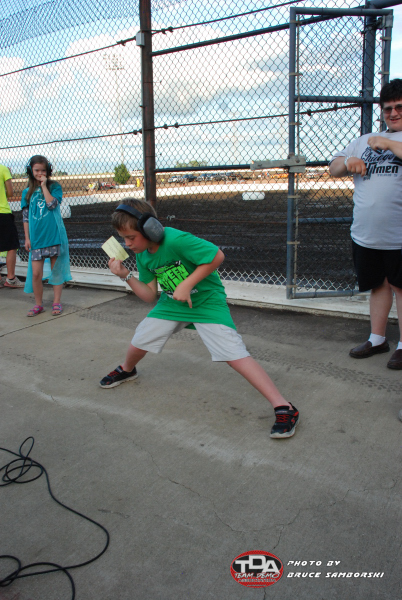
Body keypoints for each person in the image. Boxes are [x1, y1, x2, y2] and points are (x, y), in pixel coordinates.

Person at [100, 198, 300, 439]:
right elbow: (149, 295)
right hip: (172, 304)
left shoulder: (176, 239)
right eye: (123, 238)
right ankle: (127, 369)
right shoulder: (143, 254)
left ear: (151, 228)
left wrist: (187, 284)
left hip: (206, 302)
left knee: (233, 354)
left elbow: (217, 256)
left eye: (131, 237)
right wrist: (125, 275)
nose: (127, 244)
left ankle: (284, 406)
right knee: (140, 339)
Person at [329, 78, 402, 369]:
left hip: (399, 236)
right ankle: (377, 338)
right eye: (388, 109)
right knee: (378, 285)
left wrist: (388, 143)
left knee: (401, 288)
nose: (393, 113)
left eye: (399, 107)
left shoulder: (386, 140)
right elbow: (334, 167)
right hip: (366, 234)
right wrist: (348, 162)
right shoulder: (365, 140)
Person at [21, 155, 72, 316]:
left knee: (56, 271)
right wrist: (27, 238)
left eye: (43, 170)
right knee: (36, 273)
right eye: (37, 170)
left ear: (48, 171)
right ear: (31, 171)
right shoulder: (26, 192)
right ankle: (38, 304)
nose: (40, 173)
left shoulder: (55, 187)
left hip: (53, 236)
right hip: (37, 238)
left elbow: (52, 204)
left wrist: (44, 186)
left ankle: (56, 302)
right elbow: (25, 217)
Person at [0, 163, 24, 288]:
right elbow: (10, 193)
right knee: (12, 245)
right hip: (2, 212)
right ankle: (11, 279)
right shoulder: (3, 169)